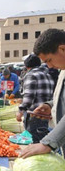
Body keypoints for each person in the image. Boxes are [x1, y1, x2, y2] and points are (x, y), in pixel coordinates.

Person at [20, 28, 65, 158]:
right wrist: (51, 105)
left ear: (62, 49)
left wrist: (47, 143)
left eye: (49, 60)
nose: (49, 66)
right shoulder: (63, 69)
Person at [16, 55, 54, 143]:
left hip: (34, 114)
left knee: (34, 141)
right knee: (43, 140)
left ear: (27, 67)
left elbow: (28, 98)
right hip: (45, 114)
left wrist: (20, 112)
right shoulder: (48, 75)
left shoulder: (31, 75)